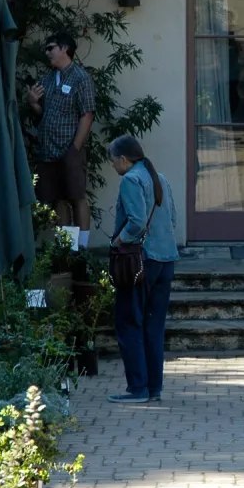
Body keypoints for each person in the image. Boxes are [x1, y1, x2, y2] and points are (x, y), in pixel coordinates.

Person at [105, 135, 178, 405]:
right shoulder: (160, 178)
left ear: (124, 159)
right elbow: (172, 219)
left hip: (139, 262)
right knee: (154, 326)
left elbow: (135, 221)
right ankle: (154, 388)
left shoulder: (130, 180)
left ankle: (137, 388)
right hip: (166, 259)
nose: (113, 167)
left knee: (129, 322)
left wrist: (118, 240)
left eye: (113, 162)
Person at [28, 32, 97, 249]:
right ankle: (67, 248)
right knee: (58, 199)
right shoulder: (48, 78)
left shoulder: (81, 78)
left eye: (51, 48)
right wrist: (33, 103)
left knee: (77, 196)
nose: (47, 52)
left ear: (64, 48)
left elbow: (87, 114)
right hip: (48, 151)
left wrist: (75, 148)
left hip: (69, 149)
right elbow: (43, 114)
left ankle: (82, 249)